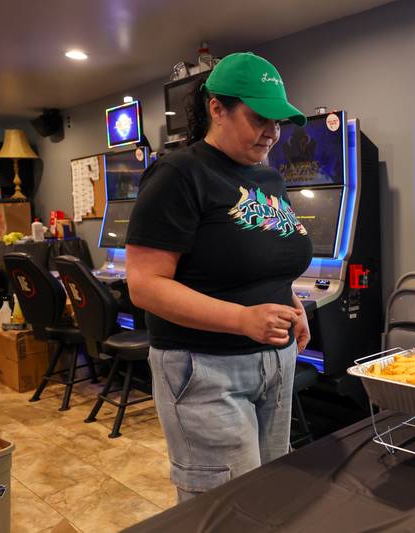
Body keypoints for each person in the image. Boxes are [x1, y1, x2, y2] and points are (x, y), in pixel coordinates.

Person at [125, 52, 313, 502]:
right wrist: (241, 319)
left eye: (278, 121)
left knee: (268, 495)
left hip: (275, 361)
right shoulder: (178, 174)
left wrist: (291, 302)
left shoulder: (269, 179)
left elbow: (262, 257)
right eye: (259, 118)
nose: (272, 132)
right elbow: (144, 285)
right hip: (204, 368)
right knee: (225, 506)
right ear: (217, 108)